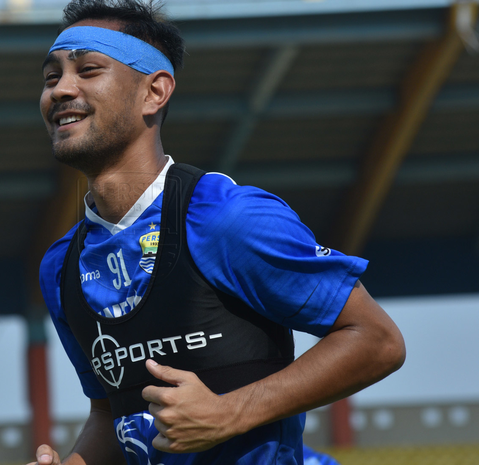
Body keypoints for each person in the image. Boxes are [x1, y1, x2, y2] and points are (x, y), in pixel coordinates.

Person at [32, 1, 406, 464]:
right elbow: (112, 414)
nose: (61, 90)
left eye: (88, 70)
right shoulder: (61, 266)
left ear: (155, 91)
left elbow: (376, 340)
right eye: (51, 78)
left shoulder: (225, 218)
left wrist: (229, 413)